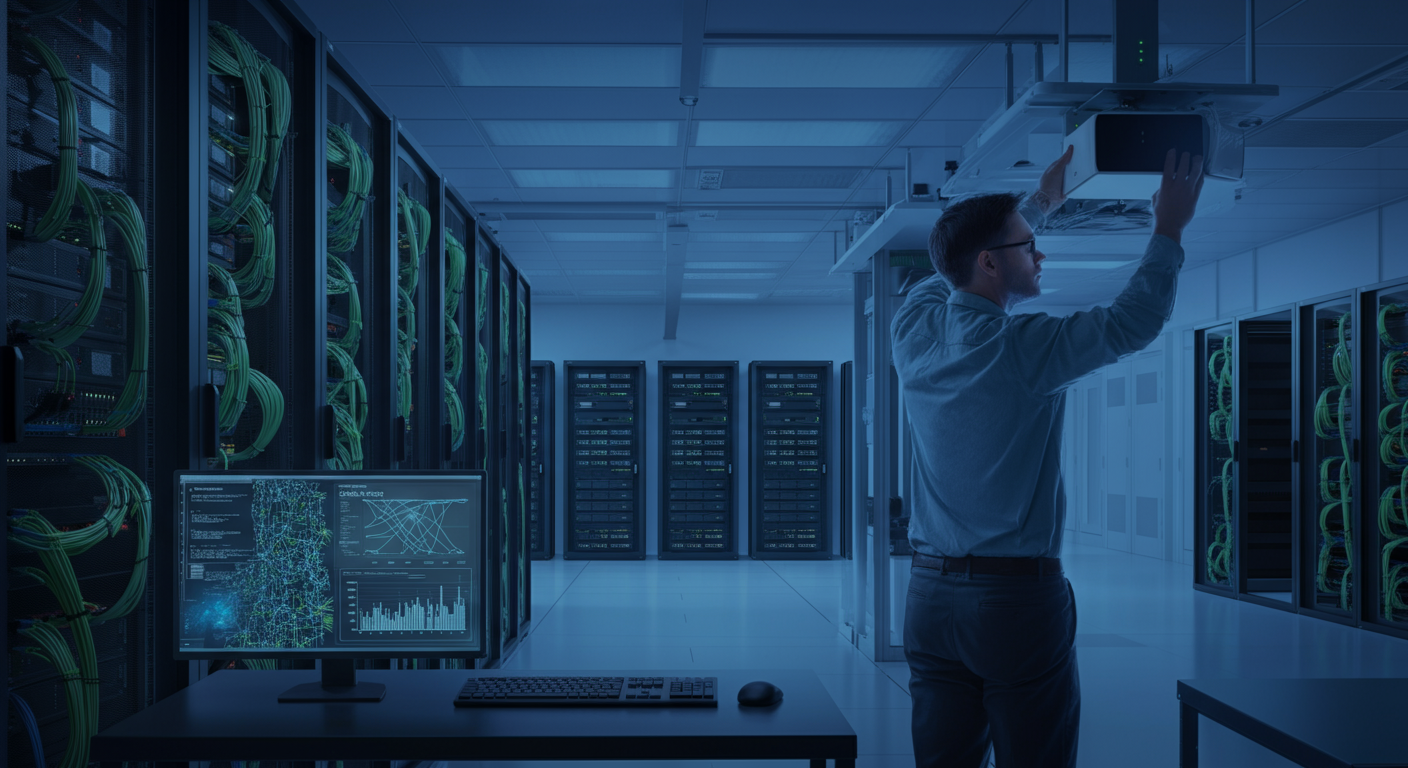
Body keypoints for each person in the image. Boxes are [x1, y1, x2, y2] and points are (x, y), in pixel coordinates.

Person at [891, 146, 1206, 767]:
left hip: (928, 598)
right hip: (1012, 604)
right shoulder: (1021, 348)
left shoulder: (913, 332)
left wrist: (1038, 206)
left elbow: (944, 276)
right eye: (1028, 246)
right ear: (989, 263)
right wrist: (1169, 227)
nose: (1041, 255)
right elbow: (1131, 321)